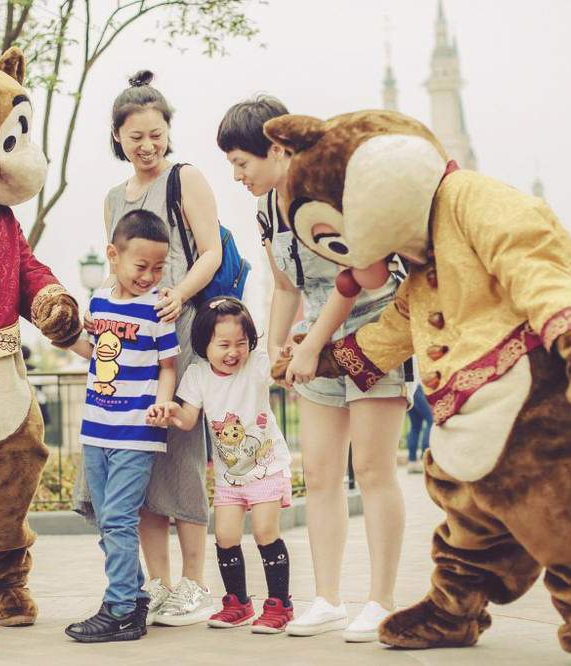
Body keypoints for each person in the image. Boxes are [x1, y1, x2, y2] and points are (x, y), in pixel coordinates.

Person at [217, 95, 408, 641]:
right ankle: (327, 599)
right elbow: (285, 284)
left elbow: (356, 275)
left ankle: (382, 602)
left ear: (276, 149)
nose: (236, 174)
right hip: (314, 342)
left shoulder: (326, 188)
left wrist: (309, 347)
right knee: (321, 475)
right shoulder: (265, 211)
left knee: (372, 470)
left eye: (241, 162)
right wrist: (275, 348)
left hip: (376, 333)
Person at [75, 70, 223, 627]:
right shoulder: (115, 197)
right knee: (141, 468)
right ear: (118, 136)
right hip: (127, 348)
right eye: (135, 135)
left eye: (156, 133)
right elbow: (117, 266)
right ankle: (157, 585)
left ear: (168, 131)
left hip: (178, 333)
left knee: (181, 458)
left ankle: (194, 584)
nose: (147, 144)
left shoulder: (186, 178)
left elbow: (208, 251)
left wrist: (176, 296)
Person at [64, 210, 180, 643]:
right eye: (141, 266)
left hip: (137, 431)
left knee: (118, 518)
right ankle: (131, 600)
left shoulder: (159, 309)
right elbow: (92, 354)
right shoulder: (98, 303)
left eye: (157, 267)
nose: (150, 276)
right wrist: (63, 328)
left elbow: (168, 366)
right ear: (113, 256)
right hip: (96, 430)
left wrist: (164, 401)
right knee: (105, 521)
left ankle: (119, 609)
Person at [148, 298, 295, 634]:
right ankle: (238, 603)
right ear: (205, 343)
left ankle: (279, 605)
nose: (233, 352)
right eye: (224, 344)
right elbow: (187, 420)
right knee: (226, 536)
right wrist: (169, 411)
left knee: (264, 531)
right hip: (231, 477)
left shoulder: (256, 363)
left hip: (267, 466)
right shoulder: (198, 374)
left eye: (241, 343)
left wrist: (285, 361)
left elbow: (275, 371)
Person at [405, 384, 431, 474]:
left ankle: (412, 461)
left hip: (409, 389)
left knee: (415, 426)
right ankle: (425, 460)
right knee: (431, 420)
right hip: (419, 387)